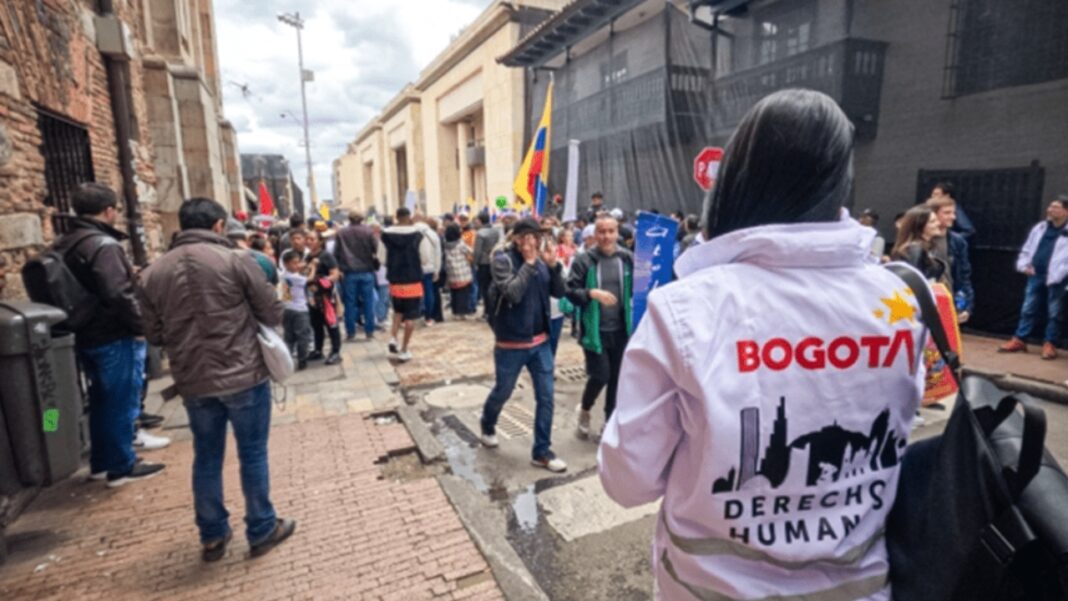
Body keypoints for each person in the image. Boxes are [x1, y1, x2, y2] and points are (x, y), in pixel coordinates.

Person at [599, 89, 927, 600]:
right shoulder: (902, 298)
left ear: (737, 180)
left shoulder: (684, 309)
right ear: (840, 182)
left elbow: (628, 481)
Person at [137, 197, 295, 562]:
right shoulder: (235, 261)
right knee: (252, 452)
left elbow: (154, 334)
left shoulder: (153, 273)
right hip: (242, 372)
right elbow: (271, 312)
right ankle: (261, 527)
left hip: (194, 378)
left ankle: (212, 533)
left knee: (206, 455)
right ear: (219, 225)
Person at [52, 184, 167, 486]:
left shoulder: (66, 241)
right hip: (112, 334)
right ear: (109, 211)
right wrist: (141, 327)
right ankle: (121, 465)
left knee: (102, 400)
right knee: (120, 400)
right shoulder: (102, 245)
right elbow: (118, 293)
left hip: (86, 332)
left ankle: (102, 463)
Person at [479, 218, 568, 473]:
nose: (535, 241)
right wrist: (529, 264)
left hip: (541, 342)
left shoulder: (541, 261)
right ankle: (488, 422)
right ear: (517, 238)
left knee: (546, 396)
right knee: (503, 391)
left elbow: (559, 292)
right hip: (511, 343)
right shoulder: (502, 260)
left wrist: (553, 266)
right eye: (529, 236)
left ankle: (542, 451)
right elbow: (513, 293)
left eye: (538, 236)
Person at [566, 214, 634, 439]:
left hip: (621, 330)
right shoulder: (584, 260)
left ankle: (609, 422)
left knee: (616, 378)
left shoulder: (627, 258)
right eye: (602, 231)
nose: (606, 236)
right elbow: (570, 291)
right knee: (600, 375)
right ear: (594, 234)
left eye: (610, 231)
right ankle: (585, 410)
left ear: (617, 233)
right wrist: (591, 293)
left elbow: (640, 288)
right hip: (594, 330)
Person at [999, 196, 1068, 360]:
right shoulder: (1040, 228)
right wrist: (1024, 265)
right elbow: (1027, 248)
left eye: (1056, 207)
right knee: (1028, 308)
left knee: (1055, 312)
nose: (1050, 210)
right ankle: (1020, 339)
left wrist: (1062, 272)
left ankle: (1050, 344)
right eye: (1050, 206)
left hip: (1058, 279)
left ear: (1066, 211)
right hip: (1036, 274)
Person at [380, 208, 433, 362]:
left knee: (398, 311)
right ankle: (404, 349)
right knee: (410, 316)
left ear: (396, 217)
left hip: (395, 279)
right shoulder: (418, 235)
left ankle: (393, 337)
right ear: (409, 217)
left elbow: (381, 258)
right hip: (412, 280)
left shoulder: (386, 235)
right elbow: (425, 258)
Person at [926, 195, 974, 321]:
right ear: (933, 215)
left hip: (947, 300)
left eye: (953, 213)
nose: (953, 217)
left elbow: (964, 276)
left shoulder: (958, 241)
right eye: (947, 213)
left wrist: (966, 306)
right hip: (925, 300)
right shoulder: (919, 241)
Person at [335, 211, 379, 341]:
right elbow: (377, 249)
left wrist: (339, 267)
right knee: (368, 301)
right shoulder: (368, 232)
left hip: (349, 272)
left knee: (350, 303)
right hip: (367, 270)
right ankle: (369, 331)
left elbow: (337, 253)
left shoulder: (341, 233)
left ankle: (350, 332)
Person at [306, 230, 343, 365]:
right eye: (308, 239)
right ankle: (318, 349)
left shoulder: (326, 256)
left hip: (326, 296)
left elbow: (335, 274)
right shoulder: (308, 256)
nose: (309, 242)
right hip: (312, 297)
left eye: (312, 239)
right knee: (316, 324)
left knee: (331, 324)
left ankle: (335, 352)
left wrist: (322, 281)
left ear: (320, 241)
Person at [891, 206, 946, 282]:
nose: (938, 223)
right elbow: (913, 279)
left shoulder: (928, 247)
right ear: (920, 226)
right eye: (932, 221)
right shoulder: (914, 249)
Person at [280, 250, 314, 370]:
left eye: (298, 262)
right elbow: (309, 278)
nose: (297, 265)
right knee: (302, 336)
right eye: (294, 263)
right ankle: (302, 360)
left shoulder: (283, 275)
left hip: (286, 308)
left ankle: (287, 360)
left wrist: (303, 266)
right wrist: (313, 267)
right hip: (299, 310)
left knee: (289, 337)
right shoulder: (295, 277)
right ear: (286, 264)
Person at [443, 223, 475, 319]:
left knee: (454, 293)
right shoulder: (460, 244)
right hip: (462, 272)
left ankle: (455, 311)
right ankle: (463, 312)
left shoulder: (445, 244)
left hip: (451, 272)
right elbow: (470, 251)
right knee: (463, 293)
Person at [415, 216, 443, 326]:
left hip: (415, 268)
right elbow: (438, 254)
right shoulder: (433, 234)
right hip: (429, 268)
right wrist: (437, 270)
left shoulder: (412, 232)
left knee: (413, 292)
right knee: (429, 292)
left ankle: (413, 315)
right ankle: (428, 317)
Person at [474, 214, 503, 317]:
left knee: (485, 288)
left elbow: (477, 251)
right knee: (494, 286)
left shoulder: (480, 233)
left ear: (480, 221)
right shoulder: (495, 231)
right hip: (495, 261)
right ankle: (494, 308)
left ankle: (487, 311)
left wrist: (475, 262)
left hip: (483, 263)